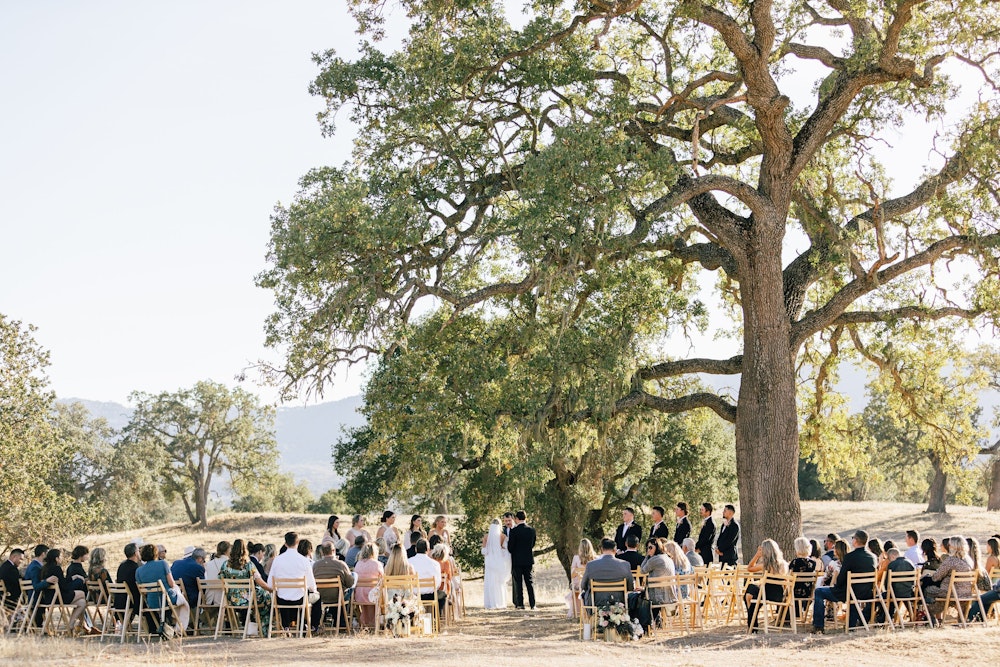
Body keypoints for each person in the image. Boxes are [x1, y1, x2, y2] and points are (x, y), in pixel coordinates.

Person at [811, 530, 877, 633]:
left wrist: (836, 586)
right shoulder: (873, 557)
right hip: (866, 592)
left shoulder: (850, 557)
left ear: (855, 540)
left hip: (848, 592)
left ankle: (818, 626)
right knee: (853, 593)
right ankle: (851, 625)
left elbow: (841, 579)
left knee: (819, 591)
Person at [135, 543, 190, 637]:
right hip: (167, 599)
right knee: (183, 602)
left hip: (152, 602)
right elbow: (171, 584)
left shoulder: (139, 570)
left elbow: (143, 589)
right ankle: (179, 629)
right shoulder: (162, 564)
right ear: (156, 553)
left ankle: (171, 627)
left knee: (177, 600)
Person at [220, 539, 273, 635]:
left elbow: (221, 578)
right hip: (247, 599)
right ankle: (264, 629)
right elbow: (260, 582)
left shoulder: (225, 565)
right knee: (267, 599)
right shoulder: (249, 565)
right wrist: (271, 589)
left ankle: (251, 626)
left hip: (231, 599)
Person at [267, 532, 318, 630]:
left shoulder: (277, 560)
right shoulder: (304, 560)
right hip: (300, 599)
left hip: (282, 600)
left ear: (285, 544)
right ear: (297, 542)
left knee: (282, 594)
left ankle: (285, 626)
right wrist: (314, 590)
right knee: (310, 596)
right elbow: (312, 585)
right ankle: (306, 625)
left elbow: (270, 584)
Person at [924, 534, 974, 624]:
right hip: (966, 592)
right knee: (945, 595)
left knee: (928, 589)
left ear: (953, 547)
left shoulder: (951, 561)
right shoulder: (969, 560)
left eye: (949, 545)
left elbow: (936, 577)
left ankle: (930, 615)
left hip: (950, 593)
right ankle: (960, 619)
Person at [40, 549, 91, 634]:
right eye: (60, 557)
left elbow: (61, 581)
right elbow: (64, 586)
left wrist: (72, 578)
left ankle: (71, 626)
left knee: (82, 602)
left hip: (48, 598)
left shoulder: (44, 568)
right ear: (56, 559)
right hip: (59, 597)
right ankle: (80, 625)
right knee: (82, 593)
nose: (62, 558)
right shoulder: (57, 568)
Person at [744, 539, 788, 631]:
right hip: (779, 595)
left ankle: (752, 625)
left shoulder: (765, 565)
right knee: (752, 596)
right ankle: (752, 625)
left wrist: (757, 555)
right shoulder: (784, 564)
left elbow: (750, 568)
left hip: (766, 594)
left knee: (750, 590)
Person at [312, 542, 353, 631]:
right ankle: (342, 622)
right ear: (333, 550)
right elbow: (350, 583)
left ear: (322, 552)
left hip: (320, 597)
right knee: (349, 589)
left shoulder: (315, 565)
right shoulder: (341, 564)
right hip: (338, 597)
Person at [581, 538, 634, 606]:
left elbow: (583, 585)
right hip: (619, 603)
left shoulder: (591, 565)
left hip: (596, 603)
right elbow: (630, 587)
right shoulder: (625, 565)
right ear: (615, 550)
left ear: (602, 549)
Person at [507, 510, 537, 610]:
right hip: (528, 559)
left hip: (517, 560)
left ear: (516, 519)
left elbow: (510, 547)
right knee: (529, 582)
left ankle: (520, 604)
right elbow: (533, 544)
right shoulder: (531, 530)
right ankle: (532, 604)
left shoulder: (514, 531)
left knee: (518, 583)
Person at [640, 538, 676, 621]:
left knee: (636, 596)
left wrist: (647, 556)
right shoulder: (668, 558)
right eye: (647, 548)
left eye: (650, 547)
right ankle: (657, 621)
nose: (648, 550)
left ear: (657, 547)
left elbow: (642, 571)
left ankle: (647, 622)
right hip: (670, 595)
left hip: (656, 597)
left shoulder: (654, 559)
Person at [409, 539, 445, 614]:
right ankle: (435, 617)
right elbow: (438, 584)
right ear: (428, 550)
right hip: (431, 595)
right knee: (442, 595)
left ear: (416, 549)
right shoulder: (435, 564)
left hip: (415, 595)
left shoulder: (409, 562)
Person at [353, 543, 385, 629]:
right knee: (381, 591)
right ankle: (375, 621)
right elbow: (383, 580)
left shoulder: (358, 564)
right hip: (372, 596)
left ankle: (365, 622)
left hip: (359, 596)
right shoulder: (377, 564)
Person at [481, 518, 510, 610]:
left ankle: (490, 603)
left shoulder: (486, 537)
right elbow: (505, 551)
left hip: (490, 562)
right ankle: (500, 602)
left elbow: (484, 551)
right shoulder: (503, 536)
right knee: (499, 582)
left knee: (490, 582)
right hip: (499, 562)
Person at [170, 547, 206, 617]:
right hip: (190, 598)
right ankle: (202, 619)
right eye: (204, 560)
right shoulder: (198, 567)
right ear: (200, 559)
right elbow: (203, 587)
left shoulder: (176, 563)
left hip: (176, 596)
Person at [788, 536, 817, 620]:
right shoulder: (813, 563)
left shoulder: (794, 562)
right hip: (808, 592)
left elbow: (789, 575)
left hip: (794, 592)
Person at [569, 539, 597, 618]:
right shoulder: (596, 558)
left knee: (574, 586)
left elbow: (572, 575)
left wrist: (578, 571)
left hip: (579, 585)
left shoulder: (576, 558)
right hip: (592, 584)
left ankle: (577, 612)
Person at [114, 543, 141, 622]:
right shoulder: (135, 568)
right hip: (131, 601)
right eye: (139, 551)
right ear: (135, 553)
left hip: (119, 600)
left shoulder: (122, 566)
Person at [203, 541, 230, 606]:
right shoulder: (229, 563)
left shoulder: (208, 564)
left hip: (209, 598)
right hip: (223, 598)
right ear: (227, 550)